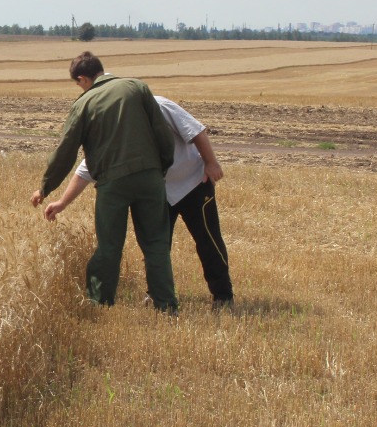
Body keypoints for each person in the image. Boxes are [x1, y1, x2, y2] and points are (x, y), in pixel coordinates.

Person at [43, 97, 234, 310]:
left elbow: (196, 131)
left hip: (194, 182)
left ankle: (223, 297)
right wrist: (62, 202)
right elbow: (87, 168)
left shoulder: (159, 105)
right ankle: (157, 295)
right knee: (157, 247)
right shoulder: (112, 123)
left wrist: (211, 163)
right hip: (157, 193)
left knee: (208, 240)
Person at [30, 51, 178, 312]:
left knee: (109, 246)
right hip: (150, 177)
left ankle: (100, 303)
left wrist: (46, 186)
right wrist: (161, 168)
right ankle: (166, 306)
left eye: (78, 83)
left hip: (113, 184)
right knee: (156, 243)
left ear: (83, 78)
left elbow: (66, 150)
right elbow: (162, 134)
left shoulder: (84, 103)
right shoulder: (137, 87)